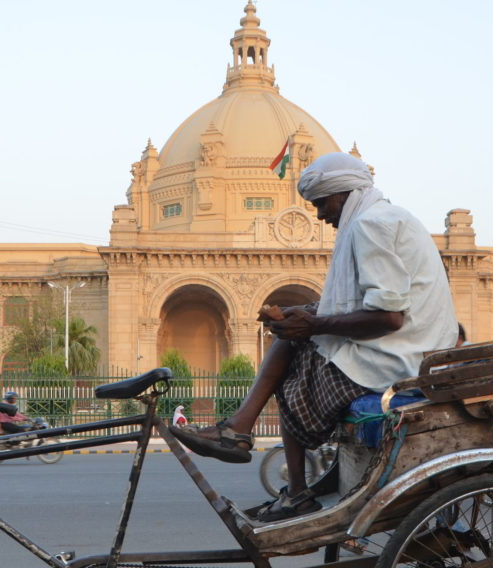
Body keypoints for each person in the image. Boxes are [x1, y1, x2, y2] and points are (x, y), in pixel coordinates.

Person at [171, 152, 457, 521]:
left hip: (400, 358)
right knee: (293, 337)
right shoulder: (387, 217)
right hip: (410, 347)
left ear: (345, 193)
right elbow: (369, 301)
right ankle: (256, 446)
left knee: (294, 360)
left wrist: (314, 324)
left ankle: (256, 447)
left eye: (322, 203)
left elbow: (388, 317)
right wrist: (310, 314)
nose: (321, 215)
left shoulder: (371, 225)